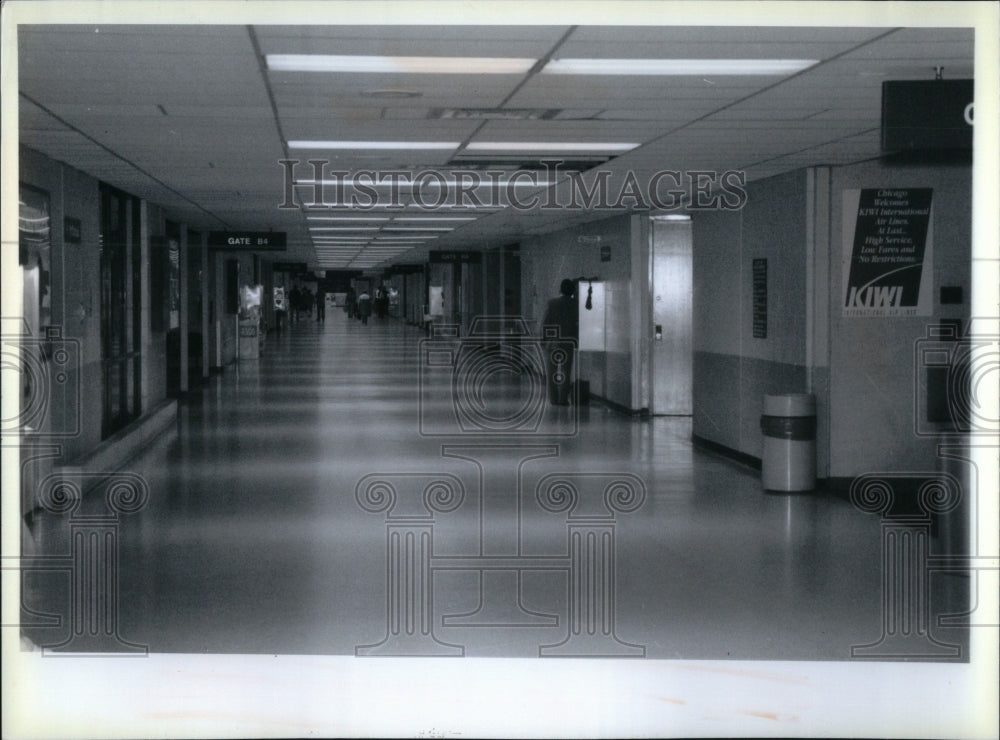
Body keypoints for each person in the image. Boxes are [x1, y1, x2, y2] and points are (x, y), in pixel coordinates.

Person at [541, 278, 579, 405]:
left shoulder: (552, 303)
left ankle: (553, 399)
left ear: (560, 289)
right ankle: (563, 399)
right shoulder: (575, 304)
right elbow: (577, 323)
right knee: (566, 371)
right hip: (568, 342)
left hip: (553, 343)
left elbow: (545, 323)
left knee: (551, 372)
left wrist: (543, 340)